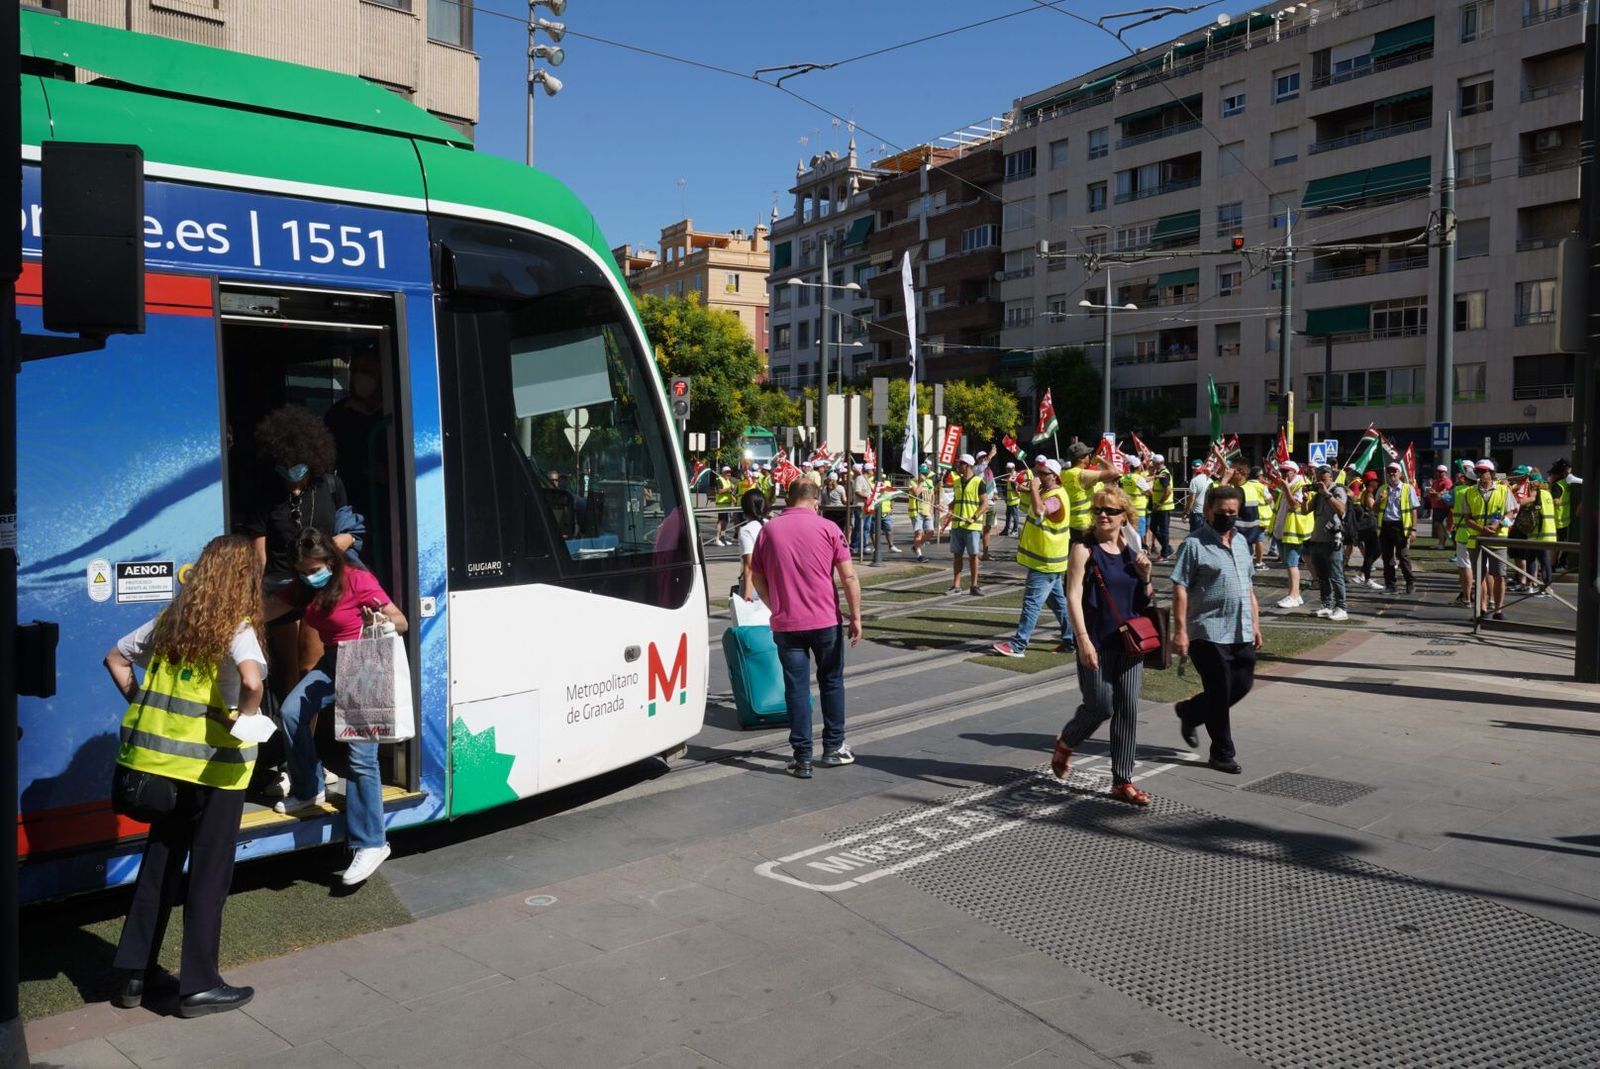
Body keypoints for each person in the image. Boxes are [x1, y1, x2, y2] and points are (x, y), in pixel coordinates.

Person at [103, 535, 267, 1017]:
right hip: (218, 770)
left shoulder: (171, 622)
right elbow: (253, 682)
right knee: (209, 875)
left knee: (160, 862)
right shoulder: (237, 628)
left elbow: (114, 658)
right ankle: (199, 985)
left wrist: (142, 703)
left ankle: (133, 975)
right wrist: (246, 717)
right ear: (244, 578)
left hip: (164, 770)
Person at [268, 528, 408, 885]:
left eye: (312, 568)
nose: (307, 575)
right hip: (332, 662)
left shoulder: (358, 581)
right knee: (291, 712)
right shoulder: (304, 587)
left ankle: (372, 842)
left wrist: (377, 619)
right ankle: (308, 787)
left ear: (330, 561)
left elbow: (401, 621)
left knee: (361, 759)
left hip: (365, 663)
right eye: (301, 570)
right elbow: (267, 609)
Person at [750, 478, 863, 779]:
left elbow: (756, 575)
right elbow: (849, 577)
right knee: (831, 681)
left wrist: (774, 604)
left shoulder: (769, 530)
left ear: (789, 500)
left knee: (796, 688)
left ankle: (802, 758)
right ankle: (834, 747)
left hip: (787, 623)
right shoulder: (828, 528)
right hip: (825, 620)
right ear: (816, 501)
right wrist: (856, 616)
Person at [1050, 484, 1155, 805]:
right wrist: (1081, 639)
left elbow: (1145, 598)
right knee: (1101, 705)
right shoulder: (1084, 548)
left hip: (1130, 642)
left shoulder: (1132, 546)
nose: (1103, 516)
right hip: (1096, 639)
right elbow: (1073, 596)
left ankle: (1122, 781)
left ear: (1125, 516)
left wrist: (1147, 575)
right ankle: (1068, 740)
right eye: (1098, 510)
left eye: (1110, 511)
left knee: (1128, 709)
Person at [246, 405, 357, 694]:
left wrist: (346, 541)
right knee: (288, 671)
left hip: (321, 586)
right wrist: (257, 594)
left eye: (297, 465)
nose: (291, 473)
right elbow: (260, 553)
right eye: (284, 466)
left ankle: (303, 736)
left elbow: (348, 530)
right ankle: (289, 734)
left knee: (310, 670)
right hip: (281, 587)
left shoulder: (330, 486)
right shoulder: (265, 494)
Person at [1170, 485, 1261, 775]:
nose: (1227, 517)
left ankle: (1191, 711)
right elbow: (1180, 587)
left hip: (1241, 628)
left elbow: (1248, 587)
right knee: (1219, 690)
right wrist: (1181, 630)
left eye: (1233, 513)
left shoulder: (1241, 543)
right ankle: (1222, 753)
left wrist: (1255, 624)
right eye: (1222, 513)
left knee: (1242, 684)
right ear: (1208, 510)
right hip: (1207, 630)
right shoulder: (1194, 544)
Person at [992, 457, 1075, 658]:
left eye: (1043, 474)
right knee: (1059, 603)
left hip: (1045, 561)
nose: (1038, 476)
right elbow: (1031, 507)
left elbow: (1040, 510)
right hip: (1049, 560)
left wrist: (1035, 489)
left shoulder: (1055, 496)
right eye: (1038, 473)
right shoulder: (1049, 492)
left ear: (1054, 477)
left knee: (1032, 603)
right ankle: (1071, 639)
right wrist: (1026, 490)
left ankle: (1019, 645)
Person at [1459, 459, 1513, 619]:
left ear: (1492, 473)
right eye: (1478, 471)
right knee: (1479, 575)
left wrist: (1498, 525)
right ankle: (1481, 608)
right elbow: (1467, 518)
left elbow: (1510, 512)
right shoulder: (1469, 492)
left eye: (1483, 471)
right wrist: (1481, 529)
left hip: (1498, 539)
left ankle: (1498, 610)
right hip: (1476, 539)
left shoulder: (1503, 490)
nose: (1480, 474)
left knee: (1499, 575)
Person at [1303, 465, 1349, 621]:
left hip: (1332, 539)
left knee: (1336, 575)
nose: (1320, 481)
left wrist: (1327, 494)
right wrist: (1304, 498)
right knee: (1322, 575)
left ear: (1330, 477)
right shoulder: (1318, 494)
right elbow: (1305, 511)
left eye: (1323, 478)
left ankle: (1341, 607)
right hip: (1317, 538)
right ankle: (1327, 605)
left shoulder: (1338, 491)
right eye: (1317, 478)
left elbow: (1342, 510)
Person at [947, 453, 990, 596]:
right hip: (957, 525)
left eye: (961, 464)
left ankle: (974, 585)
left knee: (973, 556)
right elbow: (956, 500)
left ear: (968, 466)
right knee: (957, 555)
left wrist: (974, 517)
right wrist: (948, 508)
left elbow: (985, 504)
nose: (958, 466)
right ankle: (956, 585)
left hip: (972, 526)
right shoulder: (957, 482)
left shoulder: (979, 482)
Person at [1061, 443, 1122, 544]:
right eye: (1088, 454)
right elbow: (1115, 472)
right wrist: (1099, 459)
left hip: (1069, 523)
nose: (1090, 456)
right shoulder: (1082, 474)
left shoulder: (1063, 474)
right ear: (1081, 457)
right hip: (1084, 525)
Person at [1375, 463, 1418, 596]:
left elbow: (1413, 510)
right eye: (1389, 472)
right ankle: (1390, 585)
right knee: (1387, 558)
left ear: (1400, 474)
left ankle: (1410, 582)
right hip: (1385, 526)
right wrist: (1379, 500)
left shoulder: (1407, 488)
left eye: (1394, 472)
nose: (1392, 474)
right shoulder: (1382, 489)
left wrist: (1414, 529)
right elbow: (1375, 509)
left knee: (1403, 556)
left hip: (1401, 527)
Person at [1273, 460, 1312, 609]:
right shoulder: (1287, 484)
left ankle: (1294, 595)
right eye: (1282, 471)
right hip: (1282, 530)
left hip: (1293, 531)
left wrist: (1286, 489)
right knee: (1288, 564)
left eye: (1286, 471)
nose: (1283, 474)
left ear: (1295, 472)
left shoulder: (1300, 484)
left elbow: (1295, 505)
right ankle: (1296, 594)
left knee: (1292, 564)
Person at [1345, 474, 1382, 591]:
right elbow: (1372, 507)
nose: (1377, 482)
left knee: (1372, 552)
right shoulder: (1368, 494)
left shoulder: (1366, 492)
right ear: (1370, 482)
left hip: (1368, 526)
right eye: (1375, 480)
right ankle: (1365, 578)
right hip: (1368, 527)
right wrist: (1380, 500)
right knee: (1375, 551)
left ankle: (1363, 576)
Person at [736, 488, 770, 601]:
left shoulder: (746, 530)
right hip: (773, 582)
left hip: (756, 586)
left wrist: (747, 596)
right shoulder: (772, 525)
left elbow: (749, 565)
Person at [1120, 456, 1151, 546]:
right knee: (1139, 533)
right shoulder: (1138, 478)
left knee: (1130, 531)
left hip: (1129, 508)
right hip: (1139, 510)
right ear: (1138, 466)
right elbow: (1149, 492)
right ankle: (1139, 551)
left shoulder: (1126, 477)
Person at [1148, 456, 1175, 561]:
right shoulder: (1161, 473)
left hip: (1163, 507)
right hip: (1159, 507)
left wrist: (1160, 503)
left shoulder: (1164, 474)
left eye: (1153, 463)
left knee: (1164, 531)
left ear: (1157, 463)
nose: (1152, 465)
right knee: (1153, 527)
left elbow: (1168, 490)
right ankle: (1167, 548)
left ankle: (1165, 554)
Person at [909, 463, 936, 562]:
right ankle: (919, 555)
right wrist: (920, 482)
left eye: (925, 473)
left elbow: (932, 495)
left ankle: (916, 546)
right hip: (917, 511)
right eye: (922, 473)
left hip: (927, 511)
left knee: (931, 532)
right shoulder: (913, 481)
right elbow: (916, 493)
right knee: (918, 533)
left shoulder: (929, 482)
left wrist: (932, 509)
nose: (924, 475)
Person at [1429, 464, 1455, 549]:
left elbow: (1445, 493)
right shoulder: (1436, 481)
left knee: (1441, 525)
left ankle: (1442, 543)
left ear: (1445, 472)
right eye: (1438, 471)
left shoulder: (1447, 481)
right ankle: (1441, 543)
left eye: (1441, 472)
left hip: (1443, 507)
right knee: (1438, 525)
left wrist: (1435, 493)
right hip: (1436, 506)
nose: (1439, 473)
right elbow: (1435, 492)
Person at [1186, 460, 1212, 536]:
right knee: (1206, 536)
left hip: (1197, 512)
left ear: (1193, 469)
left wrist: (1186, 511)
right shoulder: (1210, 480)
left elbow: (1191, 499)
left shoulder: (1194, 481)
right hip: (1207, 512)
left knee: (1195, 536)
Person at [712, 466, 736, 546]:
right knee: (721, 521)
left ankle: (723, 538)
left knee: (725, 521)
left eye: (729, 472)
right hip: (721, 504)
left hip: (727, 504)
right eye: (727, 472)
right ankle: (717, 539)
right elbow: (719, 491)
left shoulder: (728, 480)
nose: (729, 474)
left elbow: (729, 491)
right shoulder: (719, 480)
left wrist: (732, 493)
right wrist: (729, 488)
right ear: (723, 473)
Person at [1001, 461, 1022, 536]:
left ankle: (1015, 530)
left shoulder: (1014, 476)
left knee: (1015, 516)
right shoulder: (1009, 475)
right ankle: (1006, 530)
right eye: (1007, 469)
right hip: (1009, 499)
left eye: (1009, 469)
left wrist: (1018, 495)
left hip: (1014, 500)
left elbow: (1015, 488)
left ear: (1013, 468)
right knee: (1008, 516)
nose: (1007, 470)